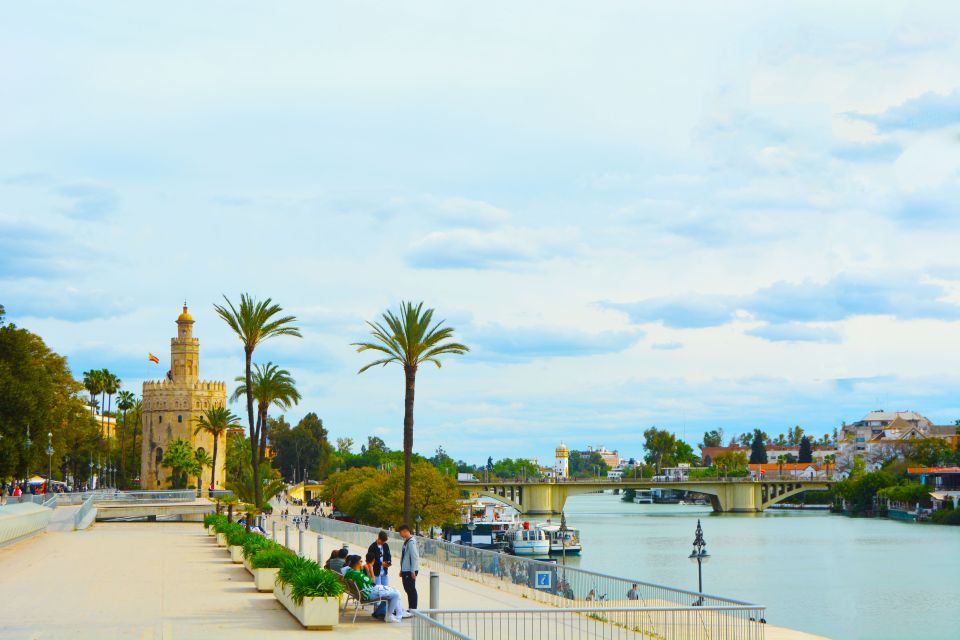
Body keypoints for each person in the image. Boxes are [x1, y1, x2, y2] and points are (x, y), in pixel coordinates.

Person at [343, 556, 409, 622]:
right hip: (368, 593)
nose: (361, 562)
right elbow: (372, 581)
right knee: (396, 594)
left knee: (395, 591)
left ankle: (397, 614)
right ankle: (390, 616)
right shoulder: (358, 575)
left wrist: (363, 567)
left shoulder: (349, 572)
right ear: (357, 563)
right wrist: (370, 569)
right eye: (361, 561)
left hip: (365, 591)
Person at [398, 523, 420, 610]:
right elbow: (405, 557)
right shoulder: (406, 541)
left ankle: (413, 608)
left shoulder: (411, 542)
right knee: (407, 589)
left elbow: (414, 556)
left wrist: (413, 570)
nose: (400, 534)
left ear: (405, 531)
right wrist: (402, 569)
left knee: (411, 589)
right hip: (405, 569)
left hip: (410, 570)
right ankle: (411, 607)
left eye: (400, 532)